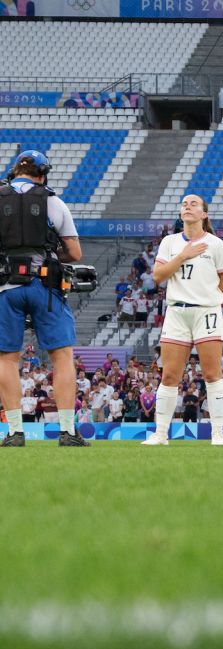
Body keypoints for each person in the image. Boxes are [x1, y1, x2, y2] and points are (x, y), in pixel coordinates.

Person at [0, 150, 85, 447]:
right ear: (42, 173)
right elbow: (74, 253)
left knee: (7, 359)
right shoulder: (53, 202)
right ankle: (67, 431)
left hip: (5, 287)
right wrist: (49, 256)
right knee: (62, 356)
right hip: (45, 285)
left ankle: (14, 432)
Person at [141, 194, 223, 446]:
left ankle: (217, 433)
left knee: (212, 374)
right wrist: (183, 255)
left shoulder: (215, 244)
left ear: (204, 214)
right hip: (177, 312)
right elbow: (158, 275)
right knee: (169, 376)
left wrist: (209, 297)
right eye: (184, 204)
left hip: (206, 312)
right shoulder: (170, 242)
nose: (187, 206)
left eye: (193, 204)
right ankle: (161, 434)